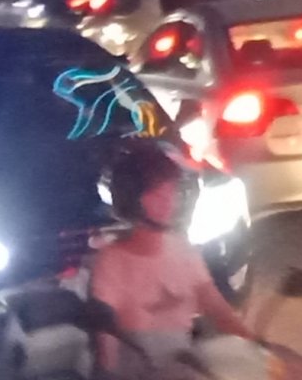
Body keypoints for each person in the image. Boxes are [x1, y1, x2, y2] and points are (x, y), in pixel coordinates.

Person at [88, 145, 267, 376]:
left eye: (170, 192)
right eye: (156, 195)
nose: (167, 203)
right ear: (132, 199)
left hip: (184, 368)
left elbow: (218, 311)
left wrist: (264, 352)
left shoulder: (183, 251)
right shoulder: (113, 261)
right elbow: (106, 342)